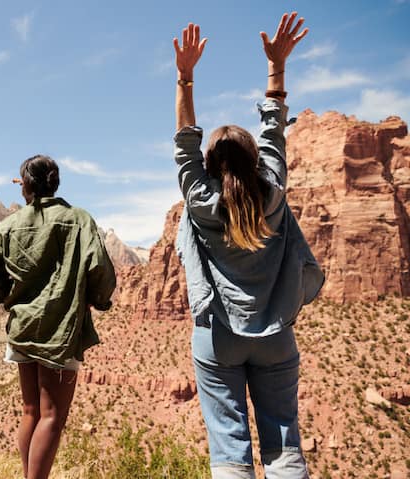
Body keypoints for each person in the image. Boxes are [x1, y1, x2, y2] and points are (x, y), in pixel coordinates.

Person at [172, 13, 324, 479]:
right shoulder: (273, 191)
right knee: (284, 445)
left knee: (229, 450)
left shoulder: (200, 200)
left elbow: (183, 145)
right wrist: (276, 67)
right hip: (276, 334)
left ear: (210, 166)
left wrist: (185, 77)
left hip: (217, 337)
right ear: (255, 161)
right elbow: (275, 127)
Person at [0, 154, 116, 479]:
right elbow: (100, 270)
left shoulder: (10, 224)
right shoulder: (79, 219)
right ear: (55, 182)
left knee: (31, 411)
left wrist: (6, 298)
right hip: (61, 329)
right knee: (52, 415)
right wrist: (97, 301)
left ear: (25, 185)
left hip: (23, 325)